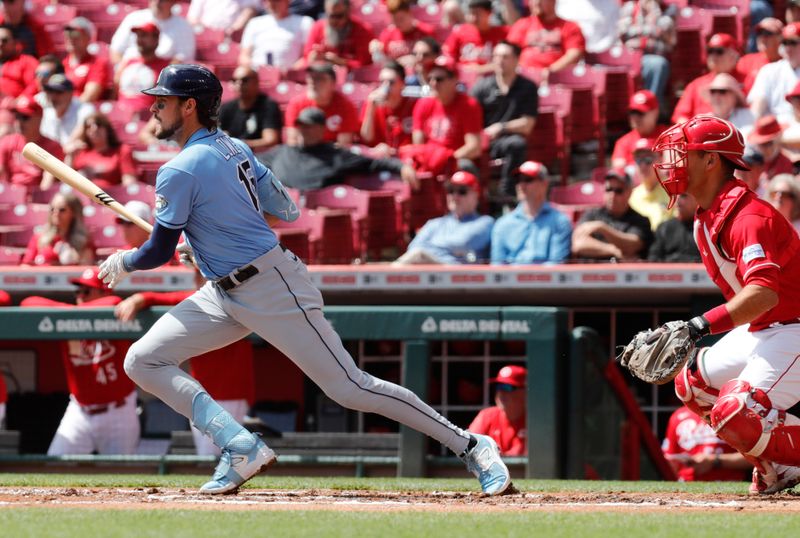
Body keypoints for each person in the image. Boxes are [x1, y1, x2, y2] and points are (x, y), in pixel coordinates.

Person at [97, 63, 511, 496]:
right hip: (223, 289)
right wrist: (207, 242)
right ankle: (239, 445)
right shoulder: (233, 146)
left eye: (161, 101)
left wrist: (127, 261)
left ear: (189, 106)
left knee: (350, 387)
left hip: (271, 286)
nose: (152, 109)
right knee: (143, 359)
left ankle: (471, 444)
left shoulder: (180, 168)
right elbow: (284, 209)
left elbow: (158, 251)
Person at [652, 113, 800, 494]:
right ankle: (777, 469)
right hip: (767, 327)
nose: (674, 162)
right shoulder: (705, 216)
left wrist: (698, 325)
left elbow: (764, 292)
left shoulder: (746, 215)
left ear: (712, 160)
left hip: (795, 326)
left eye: (684, 153)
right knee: (691, 382)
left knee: (736, 411)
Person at [114, 271, 255, 457]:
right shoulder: (198, 299)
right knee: (213, 457)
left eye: (203, 273)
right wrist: (137, 299)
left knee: (214, 457)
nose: (199, 278)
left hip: (229, 393)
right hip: (199, 394)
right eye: (198, 273)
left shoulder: (237, 299)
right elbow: (159, 297)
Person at [20, 268, 139, 455]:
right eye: (77, 292)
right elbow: (28, 303)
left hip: (119, 411)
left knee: (121, 473)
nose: (80, 296)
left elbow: (113, 302)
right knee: (54, 468)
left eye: (87, 291)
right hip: (80, 411)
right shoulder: (68, 319)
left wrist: (70, 312)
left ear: (103, 292)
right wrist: (72, 313)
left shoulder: (115, 311)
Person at [260, 107, 417, 190]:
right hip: (280, 215)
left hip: (319, 215)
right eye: (300, 125)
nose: (303, 130)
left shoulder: (336, 155)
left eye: (309, 126)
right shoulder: (280, 152)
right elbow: (247, 165)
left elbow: (374, 164)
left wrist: (402, 166)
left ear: (322, 129)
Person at [471, 41, 538, 196]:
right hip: (482, 140)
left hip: (507, 140)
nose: (499, 60)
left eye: (505, 57)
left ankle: (507, 193)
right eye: (496, 56)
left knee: (517, 144)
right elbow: (468, 115)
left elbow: (527, 123)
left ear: (516, 59)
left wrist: (501, 127)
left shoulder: (528, 87)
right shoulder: (481, 87)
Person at [402, 56, 483, 176]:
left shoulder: (468, 105)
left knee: (465, 165)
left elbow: (473, 147)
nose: (433, 83)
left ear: (454, 80)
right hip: (430, 159)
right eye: (430, 78)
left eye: (439, 79)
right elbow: (418, 143)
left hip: (455, 160)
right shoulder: (423, 104)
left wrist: (446, 160)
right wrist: (432, 160)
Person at [393, 171, 494, 264]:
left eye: (462, 191)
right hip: (429, 276)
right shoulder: (434, 223)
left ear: (476, 195)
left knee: (419, 255)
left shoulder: (485, 222)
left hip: (461, 277)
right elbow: (412, 247)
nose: (454, 196)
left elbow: (461, 243)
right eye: (451, 191)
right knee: (417, 254)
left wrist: (429, 246)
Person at [490, 160, 572, 264]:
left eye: (528, 180)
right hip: (510, 279)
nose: (521, 185)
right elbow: (497, 267)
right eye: (519, 180)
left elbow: (556, 265)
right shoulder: (502, 224)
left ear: (545, 184)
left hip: (545, 279)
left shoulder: (560, 221)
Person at [571, 168, 653, 261]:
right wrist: (613, 250)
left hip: (623, 273)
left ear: (629, 192)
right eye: (609, 189)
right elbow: (578, 244)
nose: (612, 195)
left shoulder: (640, 220)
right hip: (589, 272)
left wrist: (602, 228)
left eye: (618, 191)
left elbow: (632, 245)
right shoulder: (592, 214)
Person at [662, 406, 751, 482]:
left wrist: (715, 461)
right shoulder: (678, 416)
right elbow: (669, 459)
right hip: (687, 483)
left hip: (729, 483)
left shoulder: (735, 412)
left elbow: (759, 459)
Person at [506, 0, 585, 82]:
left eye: (541, 0)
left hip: (556, 80)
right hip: (523, 79)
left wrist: (550, 71)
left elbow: (574, 54)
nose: (536, 3)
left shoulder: (569, 27)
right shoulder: (522, 24)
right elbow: (509, 51)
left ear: (553, 2)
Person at [672, 33, 743, 124]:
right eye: (710, 51)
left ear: (733, 54)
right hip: (701, 133)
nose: (713, 56)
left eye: (719, 51)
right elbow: (680, 116)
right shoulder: (696, 84)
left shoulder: (744, 79)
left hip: (738, 131)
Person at [284, 62, 359, 147]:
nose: (313, 82)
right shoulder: (296, 104)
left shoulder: (345, 106)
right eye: (310, 77)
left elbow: (344, 145)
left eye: (319, 78)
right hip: (305, 153)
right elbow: (293, 140)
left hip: (332, 155)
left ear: (333, 84)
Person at [617, 0, 675, 109]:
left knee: (658, 65)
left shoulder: (667, 8)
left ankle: (649, 110)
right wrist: (653, 29)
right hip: (630, 58)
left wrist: (653, 14)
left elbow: (668, 34)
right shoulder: (630, 7)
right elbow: (622, 32)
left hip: (653, 57)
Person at [64, 113, 138, 191]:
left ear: (107, 128)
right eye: (88, 127)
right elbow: (66, 180)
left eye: (98, 124)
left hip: (109, 197)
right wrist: (70, 155)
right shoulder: (81, 151)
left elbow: (129, 183)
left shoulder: (121, 150)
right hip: (81, 197)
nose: (94, 129)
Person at [0, 97, 62, 191]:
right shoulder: (7, 141)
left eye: (25, 117)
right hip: (12, 195)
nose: (19, 122)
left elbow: (47, 182)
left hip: (39, 198)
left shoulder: (53, 146)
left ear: (39, 118)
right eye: (17, 117)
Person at [20, 191, 95, 267]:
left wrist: (71, 259)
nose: (56, 213)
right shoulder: (39, 238)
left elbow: (86, 270)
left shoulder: (83, 241)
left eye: (62, 210)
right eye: (52, 209)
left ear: (74, 213)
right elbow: (26, 266)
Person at [109, 0, 195, 64]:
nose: (157, 2)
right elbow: (116, 50)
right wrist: (123, 72)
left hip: (161, 78)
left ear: (173, 2)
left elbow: (183, 59)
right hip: (130, 73)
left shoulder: (183, 26)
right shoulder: (133, 18)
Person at [359, 60, 416, 157]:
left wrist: (397, 151)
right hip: (379, 160)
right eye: (381, 82)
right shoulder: (372, 103)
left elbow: (419, 145)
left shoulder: (414, 106)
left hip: (406, 159)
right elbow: (366, 139)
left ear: (402, 84)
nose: (385, 87)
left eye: (391, 82)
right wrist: (371, 107)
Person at [115, 23, 173, 117]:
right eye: (138, 36)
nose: (140, 40)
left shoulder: (165, 67)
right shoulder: (128, 62)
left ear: (156, 39)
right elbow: (115, 89)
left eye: (144, 36)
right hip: (120, 114)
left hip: (148, 116)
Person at [220, 66, 282, 153]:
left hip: (261, 157)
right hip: (233, 156)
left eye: (244, 80)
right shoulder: (227, 107)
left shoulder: (268, 106)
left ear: (256, 82)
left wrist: (240, 145)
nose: (239, 84)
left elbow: (270, 140)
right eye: (234, 80)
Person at [468, 365, 526, 456]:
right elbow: (468, 449)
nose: (501, 392)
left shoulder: (534, 420)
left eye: (507, 387)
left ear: (525, 392)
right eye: (499, 387)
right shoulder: (487, 415)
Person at [239, 0, 313, 71]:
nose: (272, 4)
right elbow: (244, 56)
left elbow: (307, 56)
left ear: (287, 1)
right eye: (268, 1)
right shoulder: (254, 23)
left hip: (289, 79)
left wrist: (289, 73)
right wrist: (258, 71)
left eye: (276, 0)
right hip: (256, 78)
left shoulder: (305, 22)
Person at [748, 22, 800, 120]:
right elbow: (758, 104)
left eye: (793, 43)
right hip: (776, 128)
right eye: (785, 43)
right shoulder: (769, 70)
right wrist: (754, 124)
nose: (788, 48)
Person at [303, 0, 374, 70]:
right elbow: (307, 56)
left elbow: (364, 64)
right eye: (331, 16)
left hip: (352, 78)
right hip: (323, 76)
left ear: (348, 12)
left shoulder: (363, 30)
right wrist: (313, 57)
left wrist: (341, 62)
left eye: (339, 16)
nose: (334, 20)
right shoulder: (318, 27)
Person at [443, 0, 509, 75]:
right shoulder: (460, 31)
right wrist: (463, 68)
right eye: (471, 13)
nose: (473, 18)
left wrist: (481, 69)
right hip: (463, 78)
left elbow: (511, 60)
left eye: (477, 14)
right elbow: (448, 57)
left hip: (492, 78)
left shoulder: (503, 33)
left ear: (490, 13)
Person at [610, 90, 666, 170]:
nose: (635, 118)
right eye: (633, 113)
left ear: (655, 112)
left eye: (640, 113)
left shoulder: (668, 135)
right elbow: (618, 170)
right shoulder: (622, 143)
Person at [62, 17, 112, 104]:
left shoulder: (97, 64)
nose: (70, 38)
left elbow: (90, 96)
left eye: (75, 35)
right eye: (68, 34)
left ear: (88, 38)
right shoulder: (63, 64)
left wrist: (69, 112)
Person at [39, 74, 96, 147]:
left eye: (58, 92)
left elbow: (73, 143)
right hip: (51, 154)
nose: (53, 96)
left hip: (74, 154)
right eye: (50, 91)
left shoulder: (84, 109)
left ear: (70, 93)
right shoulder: (46, 110)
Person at [628, 138, 672, 231]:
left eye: (648, 159)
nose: (643, 165)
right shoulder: (632, 196)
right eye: (639, 161)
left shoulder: (674, 190)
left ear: (660, 160)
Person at [371, 0, 434, 66]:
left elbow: (434, 56)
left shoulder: (426, 32)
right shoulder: (387, 33)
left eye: (401, 19)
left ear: (409, 13)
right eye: (395, 20)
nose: (398, 23)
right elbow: (382, 62)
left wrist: (417, 59)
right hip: (397, 72)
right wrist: (376, 50)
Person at [647, 193, 700, 263]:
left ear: (697, 200)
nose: (677, 200)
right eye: (675, 196)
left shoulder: (705, 228)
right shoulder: (664, 228)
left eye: (683, 196)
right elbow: (653, 258)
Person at [738, 17, 784, 96]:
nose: (762, 37)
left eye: (767, 34)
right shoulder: (746, 61)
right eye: (759, 33)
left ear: (781, 37)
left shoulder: (789, 63)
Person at [706, 73, 755, 139]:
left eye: (722, 91)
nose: (716, 96)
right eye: (713, 91)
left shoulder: (748, 116)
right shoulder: (703, 120)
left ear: (734, 97)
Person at [747, 115, 794, 184]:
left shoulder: (785, 163)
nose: (765, 149)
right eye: (761, 144)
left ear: (778, 139)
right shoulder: (752, 162)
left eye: (769, 143)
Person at [0, 25, 38, 100]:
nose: (0, 44)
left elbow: (35, 85)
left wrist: (18, 101)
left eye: (4, 40)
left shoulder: (27, 61)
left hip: (18, 108)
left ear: (15, 42)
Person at [186, 0, 260, 36]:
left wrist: (233, 29)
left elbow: (249, 10)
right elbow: (192, 19)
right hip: (205, 35)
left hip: (231, 37)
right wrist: (210, 33)